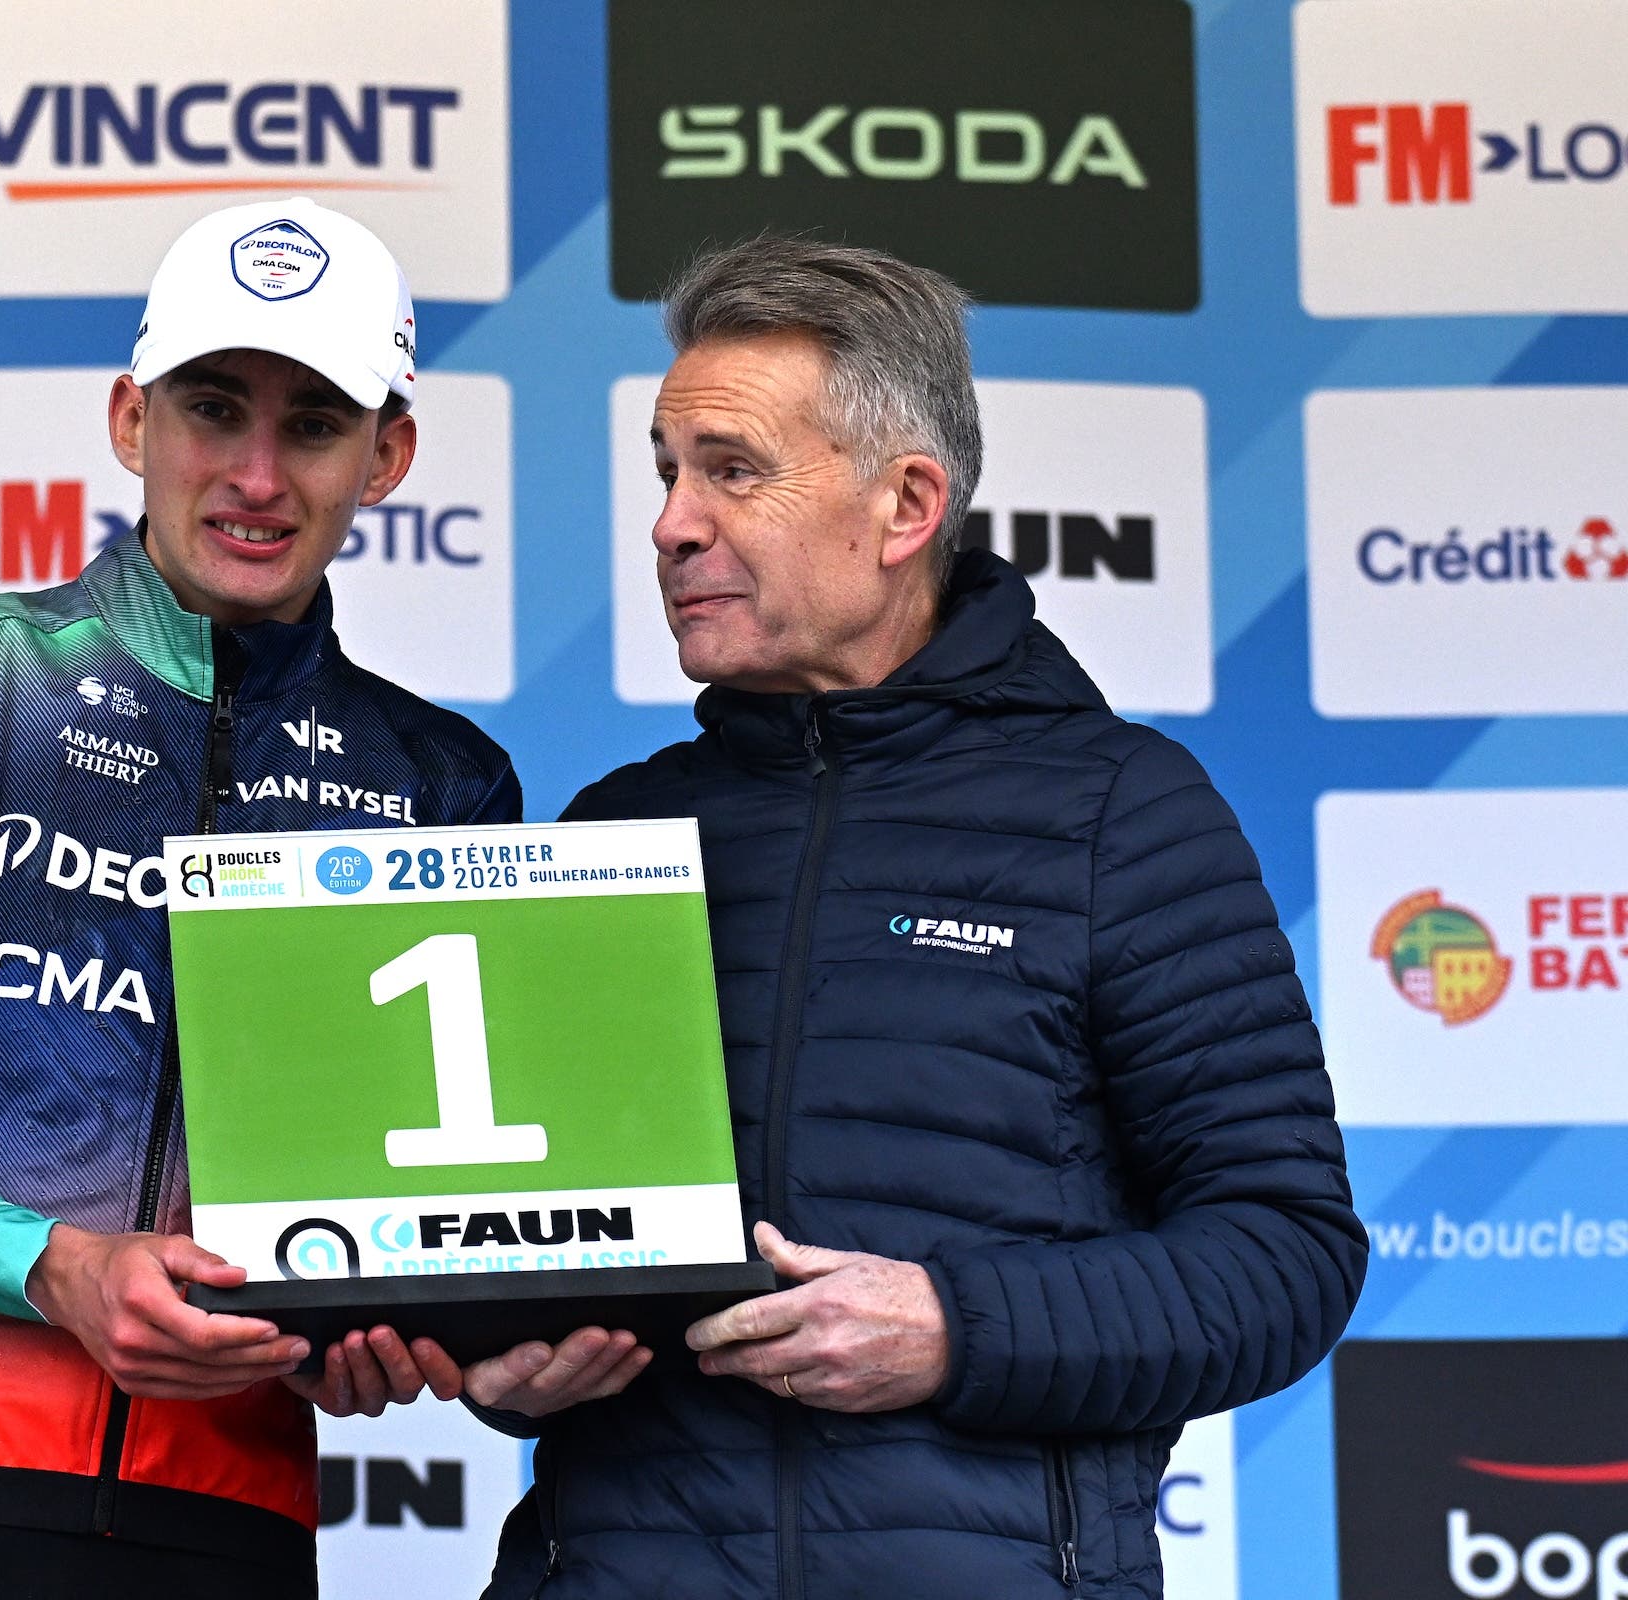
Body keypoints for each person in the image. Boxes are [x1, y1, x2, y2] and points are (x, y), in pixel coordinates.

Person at [475, 237, 1368, 1599]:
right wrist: (507, 1361)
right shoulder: (615, 834)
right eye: (667, 472)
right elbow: (541, 1250)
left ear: (905, 506)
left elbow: (1285, 1254)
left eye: (733, 469)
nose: (670, 524)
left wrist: (959, 1328)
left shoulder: (1122, 812)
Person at [0, 198, 528, 1600]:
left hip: (231, 1520)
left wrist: (391, 1325)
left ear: (386, 458)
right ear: (132, 421)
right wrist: (51, 1267)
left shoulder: (440, 777)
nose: (257, 474)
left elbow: (418, 1204)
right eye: (215, 409)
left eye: (315, 424)